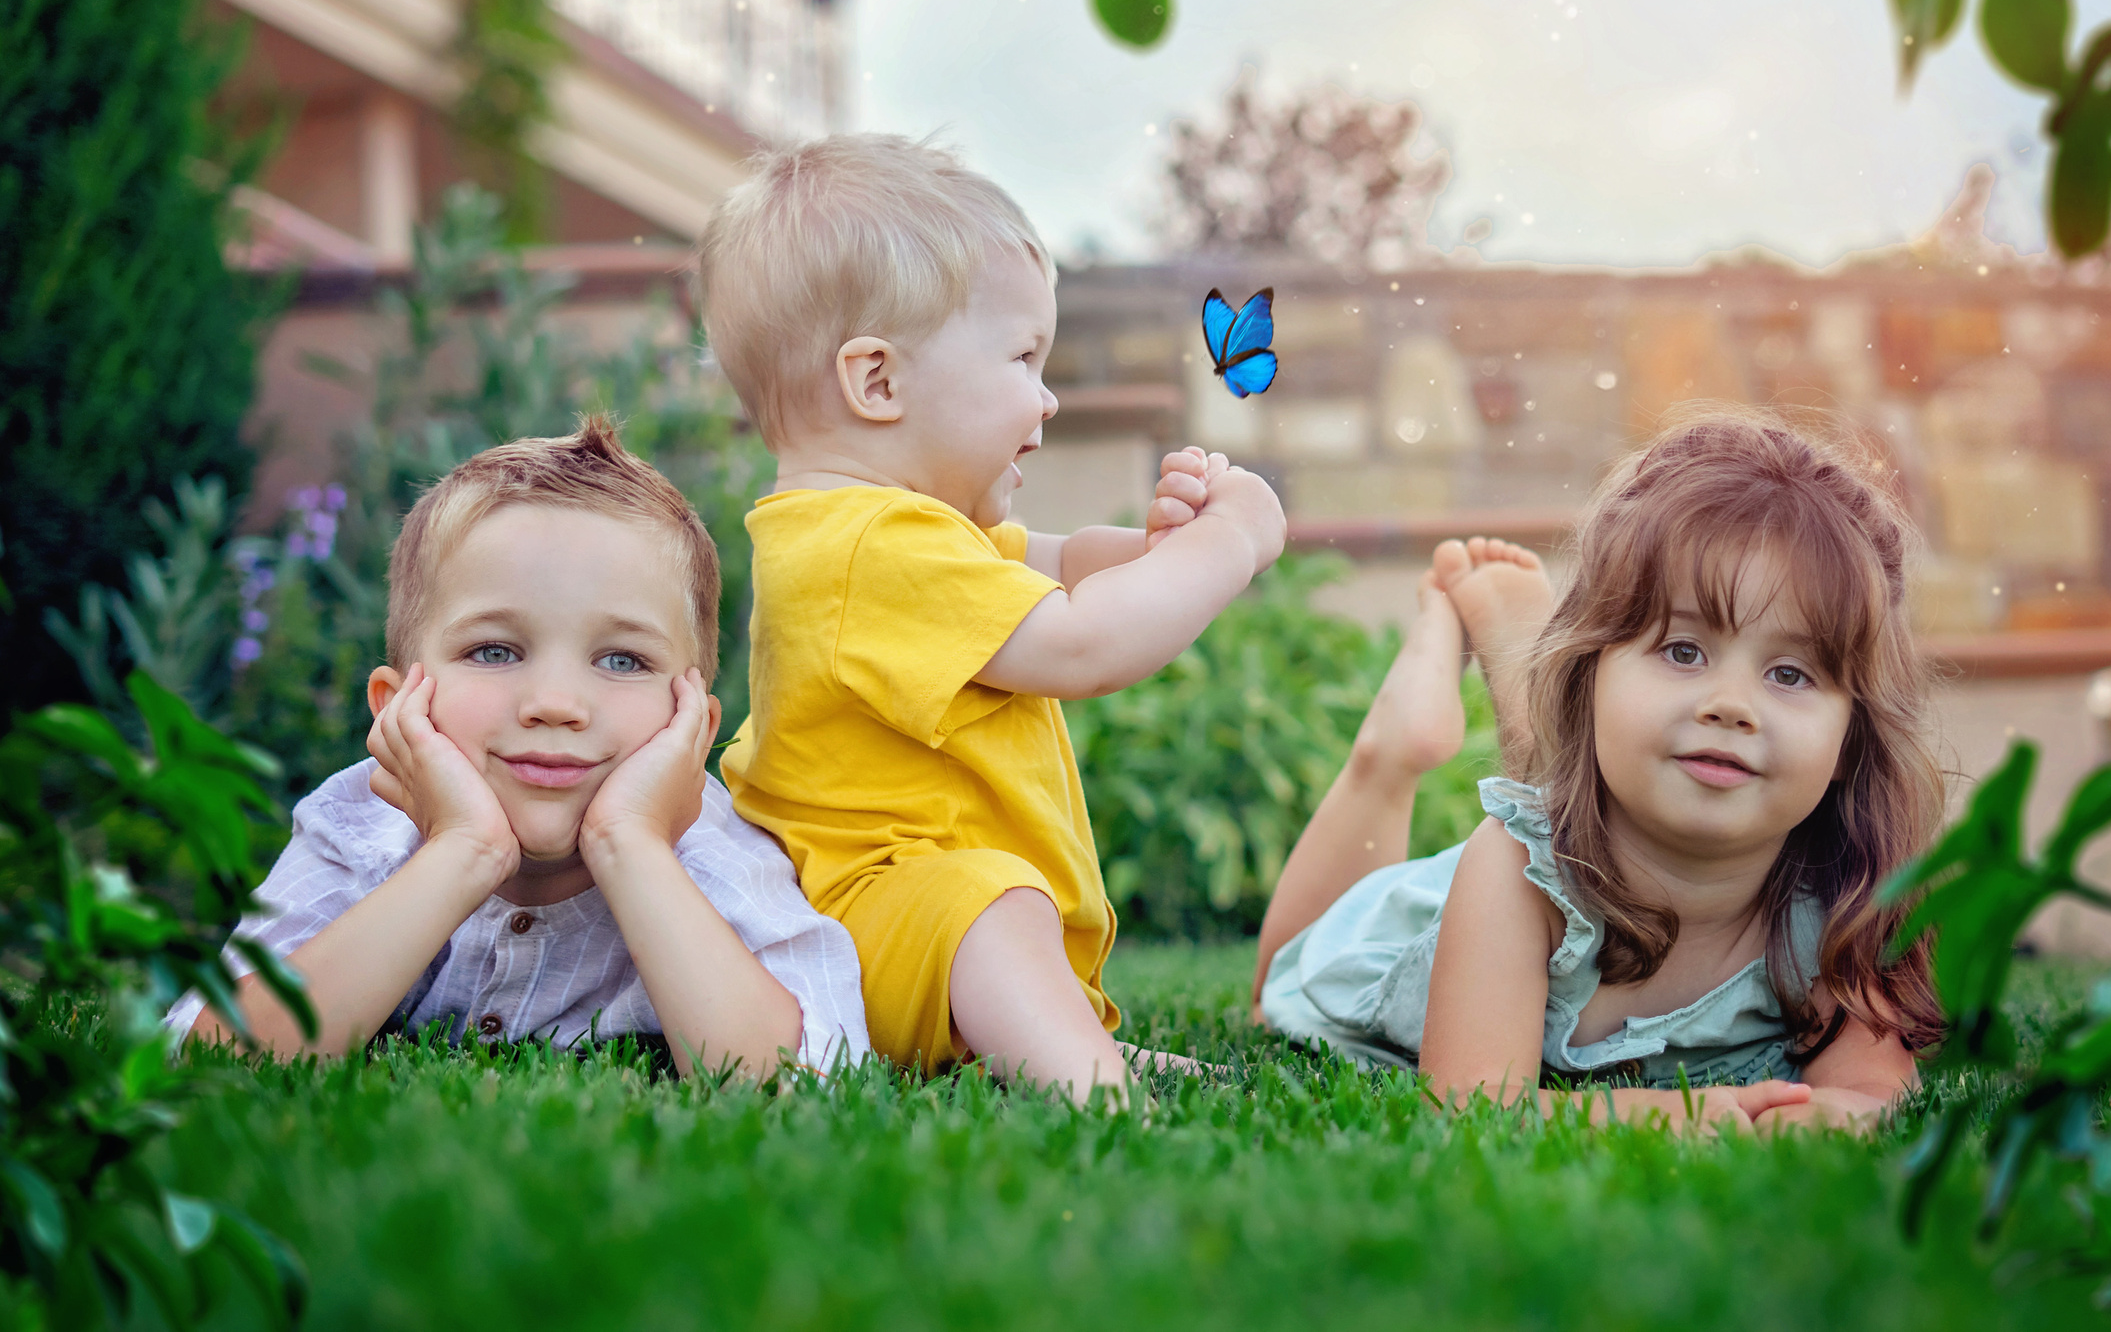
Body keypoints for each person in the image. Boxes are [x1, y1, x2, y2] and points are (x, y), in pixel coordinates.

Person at [697, 135, 1286, 1102]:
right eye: (1023, 356)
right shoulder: (866, 547)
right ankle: (1094, 1089)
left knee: (994, 909)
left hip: (904, 922)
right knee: (990, 906)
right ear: (877, 382)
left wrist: (1163, 541)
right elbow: (1083, 640)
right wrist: (1228, 548)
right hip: (867, 928)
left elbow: (1059, 565)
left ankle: (1050, 1037)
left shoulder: (899, 535)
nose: (1047, 399)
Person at [1255, 410, 1945, 1133]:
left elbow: (1873, 1093)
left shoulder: (1846, 892)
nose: (1732, 706)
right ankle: (1391, 756)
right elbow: (1470, 1109)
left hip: (1564, 841)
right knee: (1272, 993)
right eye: (1684, 650)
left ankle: (1527, 678)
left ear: (1851, 740)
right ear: (1592, 676)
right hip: (1422, 932)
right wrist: (1683, 1115)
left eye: (1790, 672)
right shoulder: (1515, 872)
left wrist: (1817, 1119)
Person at [171, 420, 869, 1077]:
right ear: (398, 705)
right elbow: (212, 1057)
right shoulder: (358, 831)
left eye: (622, 660)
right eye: (495, 650)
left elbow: (813, 1079)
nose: (555, 703)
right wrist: (464, 849)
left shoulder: (713, 857)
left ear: (694, 725)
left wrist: (632, 844)